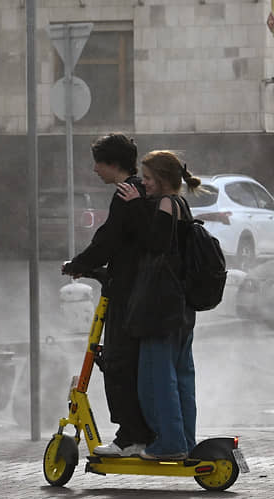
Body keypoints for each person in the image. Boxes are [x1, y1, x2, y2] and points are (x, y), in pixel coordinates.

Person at [61, 133, 154, 457]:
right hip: (137, 288)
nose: (94, 169)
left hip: (128, 294)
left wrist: (79, 263)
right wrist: (93, 268)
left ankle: (130, 437)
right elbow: (126, 243)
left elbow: (109, 240)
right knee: (127, 364)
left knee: (118, 364)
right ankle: (137, 433)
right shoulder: (141, 191)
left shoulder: (126, 194)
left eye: (98, 163)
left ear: (112, 164)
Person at [117, 150, 201, 460]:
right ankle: (184, 440)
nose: (144, 183)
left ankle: (170, 442)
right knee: (181, 377)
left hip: (162, 309)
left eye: (149, 178)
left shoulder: (167, 204)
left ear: (164, 180)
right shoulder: (183, 205)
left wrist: (136, 206)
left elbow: (156, 243)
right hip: (180, 309)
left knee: (157, 377)